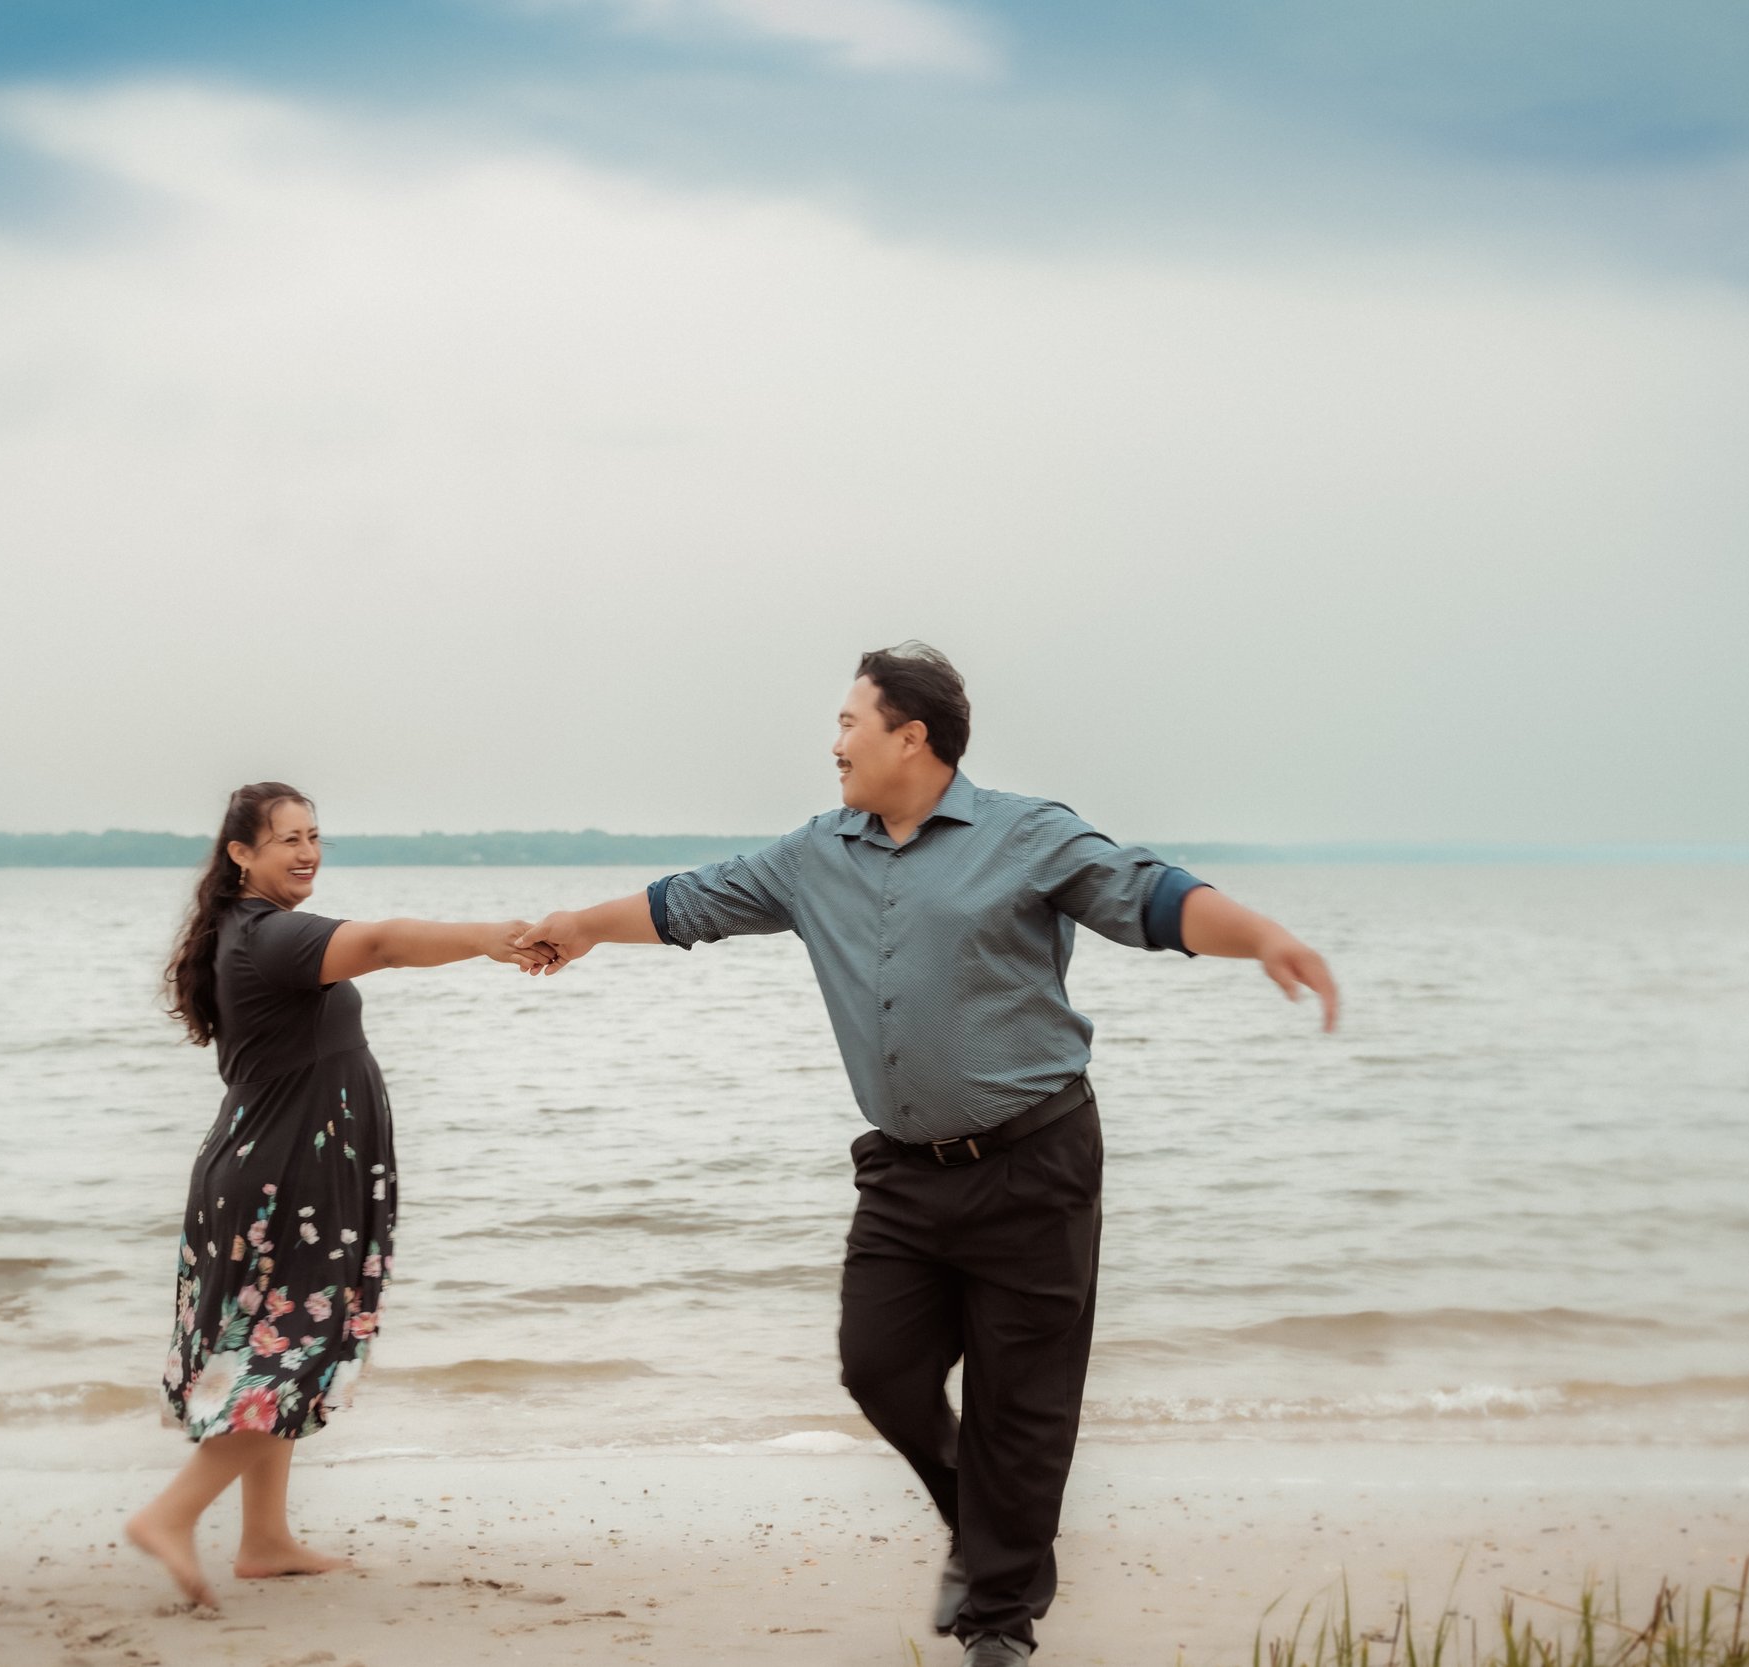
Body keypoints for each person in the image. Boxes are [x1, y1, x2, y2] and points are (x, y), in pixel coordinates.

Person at [515, 645, 1337, 1664]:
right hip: (904, 1172)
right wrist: (582, 928)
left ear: (913, 736)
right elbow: (690, 900)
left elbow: (1148, 894)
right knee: (878, 1367)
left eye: (849, 721)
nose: (834, 742)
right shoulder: (817, 853)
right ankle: (988, 1529)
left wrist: (1256, 934)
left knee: (1020, 1403)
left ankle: (998, 1620)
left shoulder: (1027, 834)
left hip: (1035, 1160)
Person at [127, 781, 554, 1608]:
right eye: (286, 838)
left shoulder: (246, 933)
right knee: (289, 1347)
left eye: (314, 834)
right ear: (241, 853)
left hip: (276, 1167)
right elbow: (389, 942)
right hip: (287, 1178)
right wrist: (490, 939)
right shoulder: (270, 937)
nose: (307, 850)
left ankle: (265, 1539)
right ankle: (173, 1514)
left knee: (277, 1337)